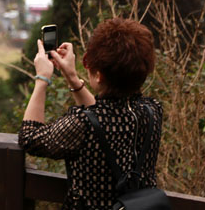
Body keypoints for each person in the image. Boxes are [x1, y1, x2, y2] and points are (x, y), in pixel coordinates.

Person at [18, 17, 163, 210]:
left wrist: (42, 78)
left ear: (98, 74)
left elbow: (29, 137)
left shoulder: (82, 123)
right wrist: (72, 78)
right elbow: (103, 117)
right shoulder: (152, 110)